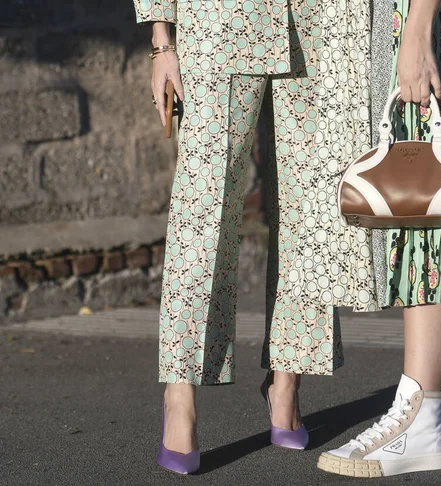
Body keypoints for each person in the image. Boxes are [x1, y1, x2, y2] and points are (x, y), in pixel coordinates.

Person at [131, 0, 379, 475]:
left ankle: (287, 381)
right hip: (219, 25)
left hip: (317, 24)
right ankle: (179, 392)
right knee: (202, 211)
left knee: (311, 211)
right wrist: (162, 42)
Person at [318, 0, 441, 478]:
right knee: (430, 200)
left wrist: (417, 28)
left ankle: (420, 414)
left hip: (410, 19)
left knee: (426, 211)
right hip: (399, 22)